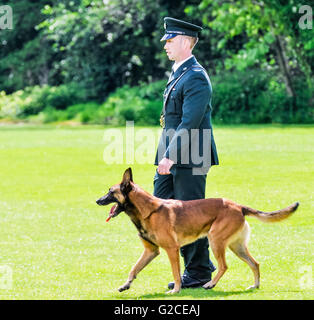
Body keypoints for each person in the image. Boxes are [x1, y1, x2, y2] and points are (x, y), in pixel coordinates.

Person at [153, 17, 219, 290]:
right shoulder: (180, 71)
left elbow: (189, 122)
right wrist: (165, 154)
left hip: (191, 154)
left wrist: (171, 155)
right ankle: (196, 265)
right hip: (172, 151)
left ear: (184, 41)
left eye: (169, 41)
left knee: (189, 215)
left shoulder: (196, 76)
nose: (166, 46)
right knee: (159, 206)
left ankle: (199, 270)